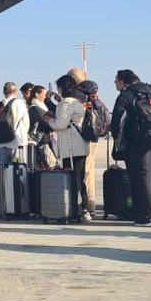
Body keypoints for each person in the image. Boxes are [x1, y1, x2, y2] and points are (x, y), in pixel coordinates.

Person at [112, 70, 151, 227]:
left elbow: (117, 123)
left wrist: (119, 141)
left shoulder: (125, 96)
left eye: (116, 81)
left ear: (123, 82)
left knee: (143, 176)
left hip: (140, 141)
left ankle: (146, 216)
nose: (114, 84)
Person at [50, 74, 93, 221]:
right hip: (80, 146)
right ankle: (85, 209)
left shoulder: (66, 102)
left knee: (72, 179)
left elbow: (60, 124)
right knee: (80, 178)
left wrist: (49, 120)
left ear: (63, 88)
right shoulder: (78, 101)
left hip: (71, 147)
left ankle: (74, 208)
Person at [0, 82, 29, 212]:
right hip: (17, 143)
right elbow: (25, 123)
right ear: (15, 91)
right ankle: (18, 203)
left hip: (0, 142)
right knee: (18, 173)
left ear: (4, 92)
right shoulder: (19, 103)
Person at [67, 68, 102, 210]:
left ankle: (86, 202)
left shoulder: (75, 96)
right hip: (92, 135)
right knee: (89, 169)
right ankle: (90, 200)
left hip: (81, 136)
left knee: (84, 170)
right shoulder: (92, 93)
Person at [27, 85, 56, 170]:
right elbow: (48, 122)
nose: (45, 97)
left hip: (43, 141)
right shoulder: (35, 109)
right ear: (36, 94)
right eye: (44, 94)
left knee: (47, 166)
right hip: (41, 142)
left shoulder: (40, 107)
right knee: (50, 166)